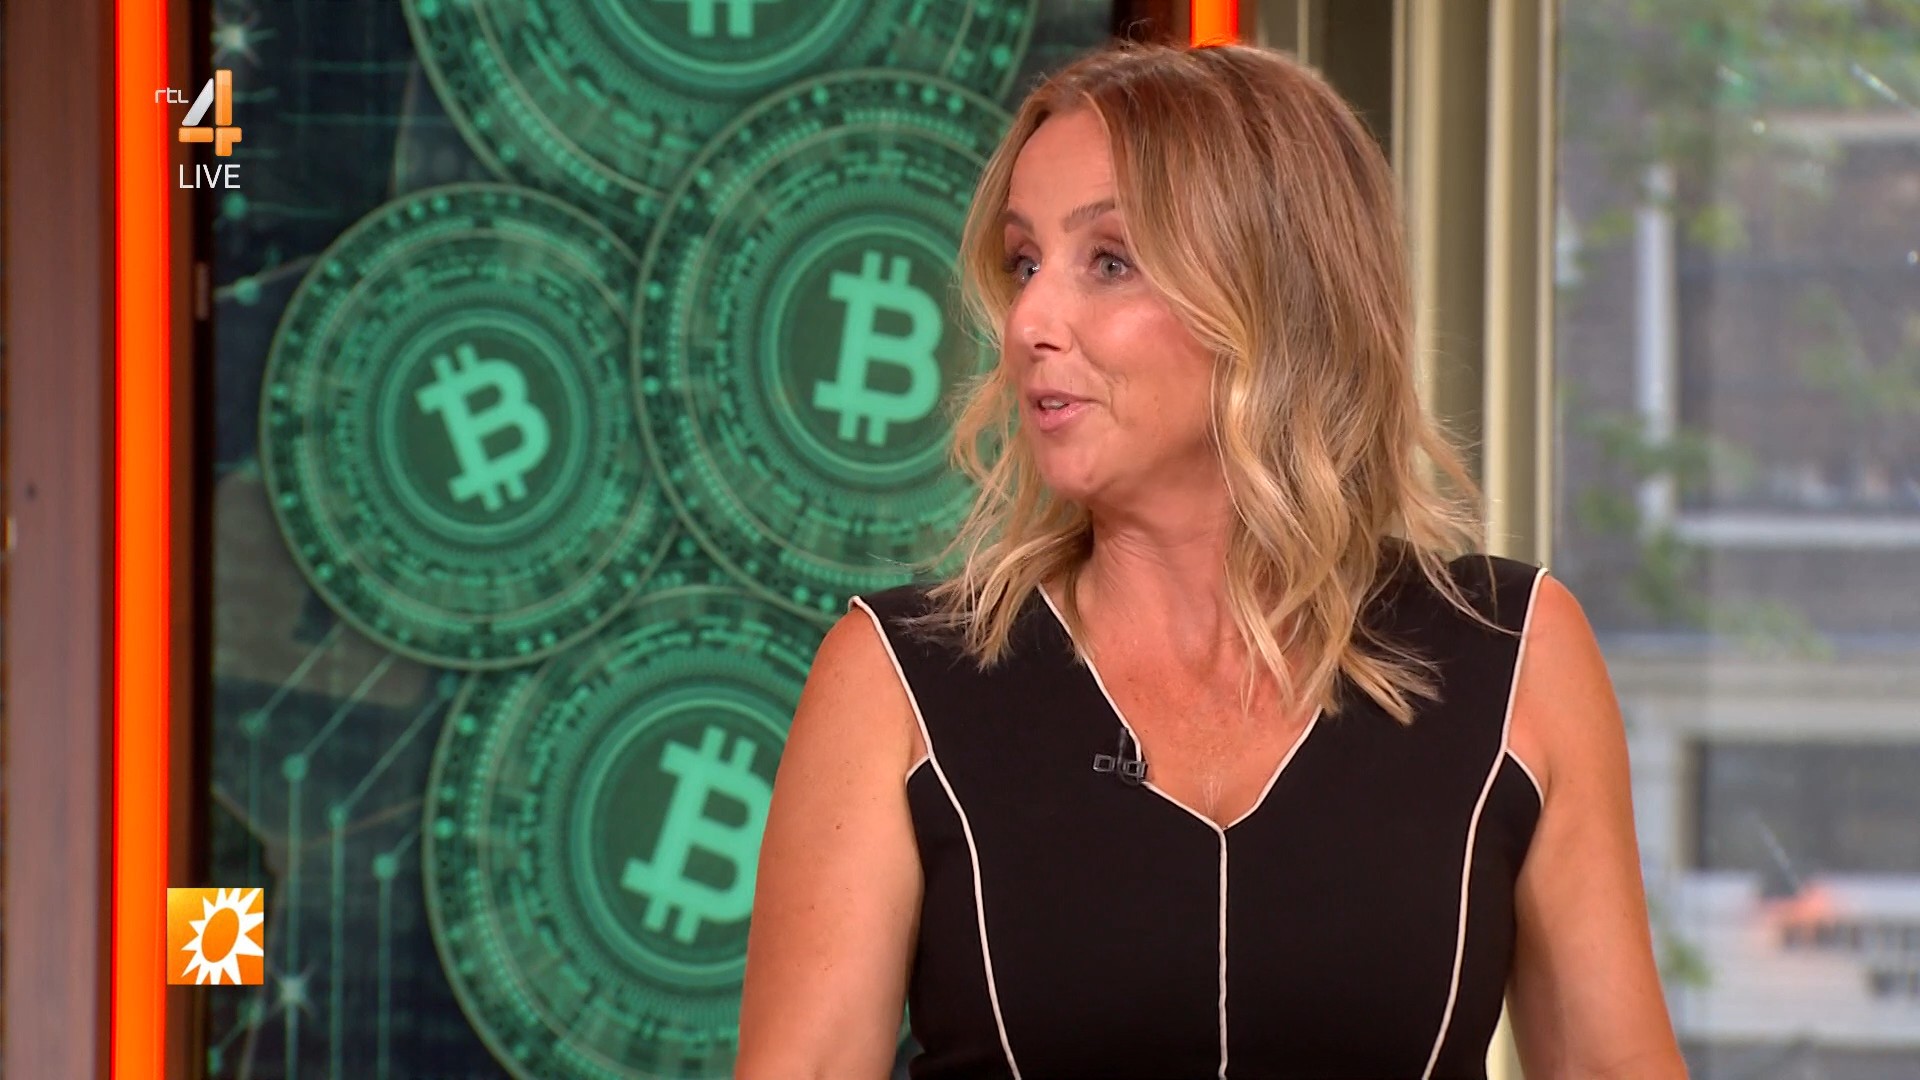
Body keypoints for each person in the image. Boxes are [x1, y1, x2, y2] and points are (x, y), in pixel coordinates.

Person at [736, 40, 1686, 1080]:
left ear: (1274, 292)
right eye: (1023, 264)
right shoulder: (895, 679)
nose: (1031, 321)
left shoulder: (1515, 656)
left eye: (1109, 262)